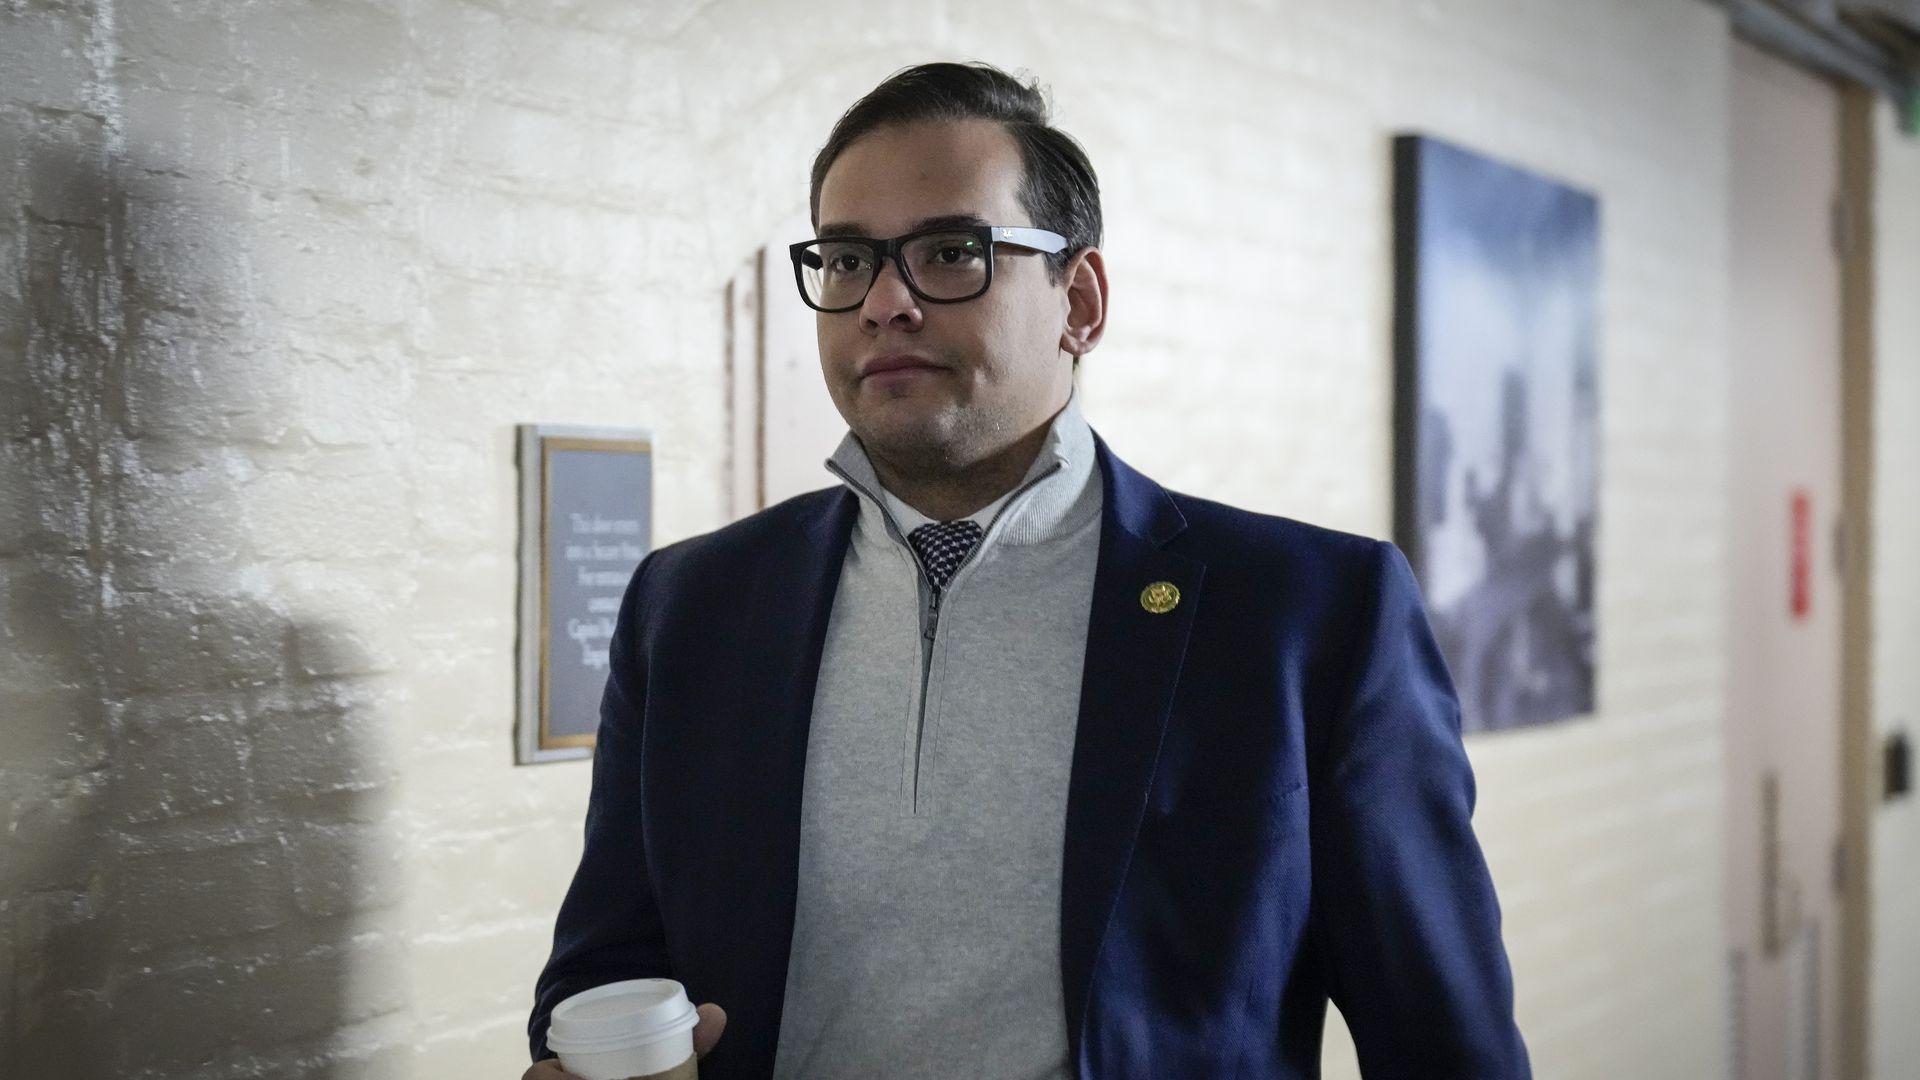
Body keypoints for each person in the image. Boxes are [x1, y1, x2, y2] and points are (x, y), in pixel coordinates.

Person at [526, 61, 1530, 1080]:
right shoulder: (694, 606)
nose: (884, 303)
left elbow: (1444, 1041)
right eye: (845, 260)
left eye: (950, 252)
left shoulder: (1307, 614)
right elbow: (607, 966)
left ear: (1078, 300)